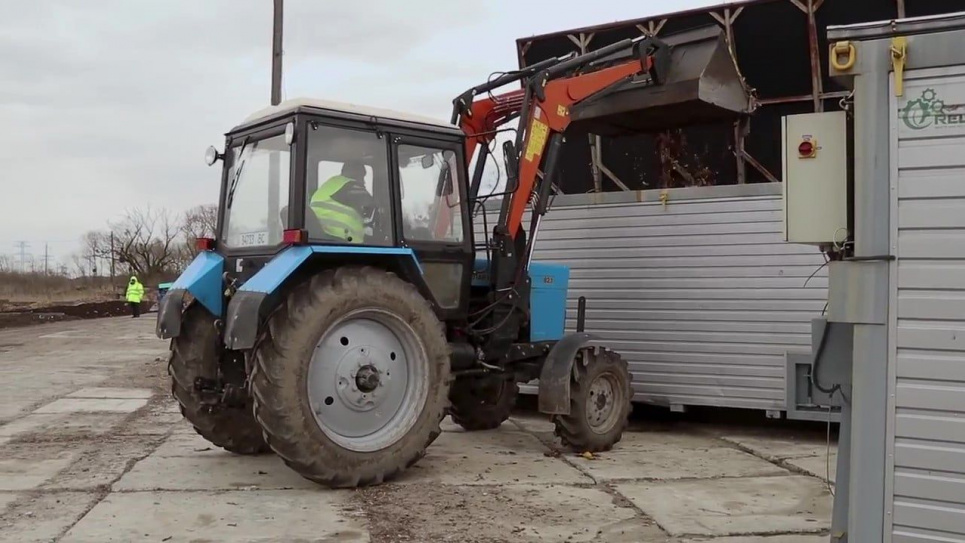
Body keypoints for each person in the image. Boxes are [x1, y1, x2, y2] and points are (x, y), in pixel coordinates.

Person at [309, 161, 376, 244]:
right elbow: (373, 209)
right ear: (356, 173)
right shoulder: (351, 186)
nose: (364, 181)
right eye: (362, 176)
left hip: (323, 236)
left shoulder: (332, 185)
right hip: (343, 240)